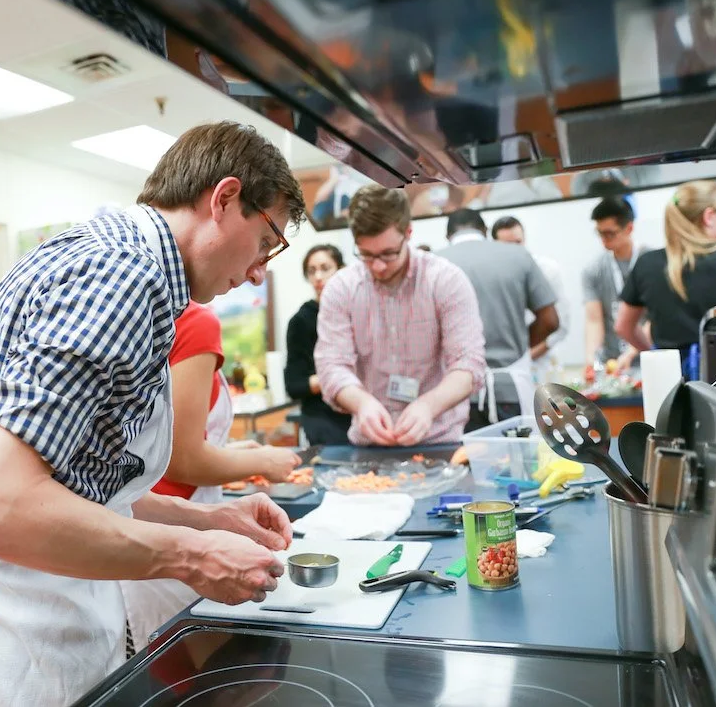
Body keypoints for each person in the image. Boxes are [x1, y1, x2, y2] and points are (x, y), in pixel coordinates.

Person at [0, 121, 307, 706]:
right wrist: (193, 557)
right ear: (224, 199)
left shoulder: (120, 260)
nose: (258, 270)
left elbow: (80, 477)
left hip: (37, 583)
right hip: (5, 594)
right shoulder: (122, 275)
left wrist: (209, 521)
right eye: (268, 241)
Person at [121, 302, 301, 652]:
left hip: (155, 520)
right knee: (186, 670)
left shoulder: (153, 317)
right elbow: (183, 461)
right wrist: (263, 459)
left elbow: (167, 439)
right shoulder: (197, 322)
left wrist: (231, 456)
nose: (257, 273)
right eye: (262, 246)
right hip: (168, 535)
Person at [315, 186, 486, 446]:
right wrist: (361, 403)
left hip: (440, 441)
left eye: (388, 254)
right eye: (367, 255)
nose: (379, 266)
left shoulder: (445, 280)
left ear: (408, 233)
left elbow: (469, 365)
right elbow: (332, 366)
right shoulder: (341, 289)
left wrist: (429, 406)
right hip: (370, 445)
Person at [616, 180, 716, 357]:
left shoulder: (646, 264)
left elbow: (623, 327)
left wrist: (656, 354)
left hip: (672, 380)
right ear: (709, 216)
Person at [439, 209, 558, 431]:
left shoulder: (435, 263)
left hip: (453, 395)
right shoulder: (518, 256)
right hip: (509, 389)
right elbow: (550, 320)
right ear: (485, 231)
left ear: (447, 237)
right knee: (515, 460)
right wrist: (518, 348)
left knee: (459, 463)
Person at [284, 245, 353, 444]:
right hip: (324, 418)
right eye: (312, 271)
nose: (318, 276)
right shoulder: (301, 321)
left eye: (325, 268)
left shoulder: (356, 309)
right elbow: (295, 384)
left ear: (341, 269)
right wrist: (337, 377)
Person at [490, 216, 570, 382]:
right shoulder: (490, 276)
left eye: (518, 243)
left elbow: (561, 325)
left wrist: (525, 358)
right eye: (507, 246)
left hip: (544, 365)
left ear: (524, 240)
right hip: (504, 368)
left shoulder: (548, 269)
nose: (515, 250)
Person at [583, 196, 650, 372]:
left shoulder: (650, 262)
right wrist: (591, 358)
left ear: (629, 228)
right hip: (612, 363)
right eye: (600, 233)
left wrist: (630, 353)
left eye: (610, 233)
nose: (604, 239)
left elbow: (656, 318)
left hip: (648, 358)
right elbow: (594, 319)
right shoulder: (594, 269)